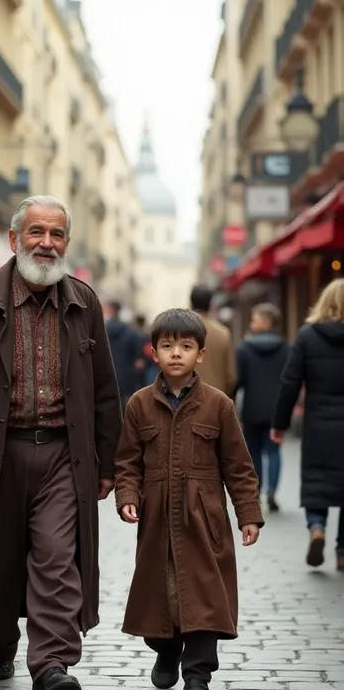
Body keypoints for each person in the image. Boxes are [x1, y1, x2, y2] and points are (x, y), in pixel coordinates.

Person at [0, 195, 122, 690]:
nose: (47, 244)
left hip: (63, 453)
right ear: (14, 240)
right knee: (1, 554)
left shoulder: (84, 303)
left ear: (66, 243)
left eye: (57, 235)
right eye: (37, 232)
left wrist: (108, 463)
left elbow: (104, 391)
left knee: (57, 555)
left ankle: (51, 663)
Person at [115, 308, 263, 690]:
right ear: (154, 352)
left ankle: (198, 674)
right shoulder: (138, 404)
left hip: (205, 520)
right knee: (162, 591)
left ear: (200, 354)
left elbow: (239, 466)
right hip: (157, 521)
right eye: (167, 346)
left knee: (204, 596)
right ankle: (165, 649)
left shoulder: (219, 405)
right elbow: (127, 461)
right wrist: (128, 495)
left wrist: (248, 513)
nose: (176, 353)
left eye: (185, 346)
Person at [271, 278, 344, 570]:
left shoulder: (307, 336)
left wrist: (280, 423)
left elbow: (289, 382)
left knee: (317, 477)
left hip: (319, 423)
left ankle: (317, 527)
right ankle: (342, 552)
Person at [235, 303, 290, 512]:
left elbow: (239, 380)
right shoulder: (286, 348)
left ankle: (256, 491)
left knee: (253, 452)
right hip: (278, 409)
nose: (251, 323)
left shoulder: (244, 349)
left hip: (252, 408)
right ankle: (272, 491)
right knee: (274, 451)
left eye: (254, 319)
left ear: (266, 322)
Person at [190, 285, 236, 397]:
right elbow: (231, 377)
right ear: (210, 304)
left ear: (191, 304)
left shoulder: (181, 332)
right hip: (216, 400)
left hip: (186, 400)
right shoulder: (223, 333)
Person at [105, 301, 143, 411]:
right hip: (126, 374)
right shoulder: (130, 331)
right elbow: (138, 360)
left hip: (107, 373)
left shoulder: (103, 330)